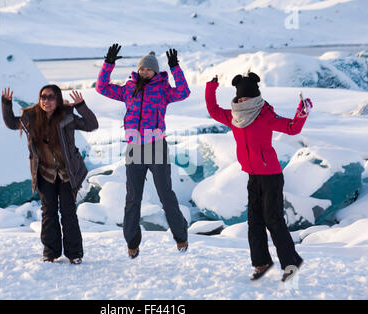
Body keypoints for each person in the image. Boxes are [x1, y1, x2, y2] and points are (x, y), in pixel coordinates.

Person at [205, 73, 313, 281]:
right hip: (253, 175)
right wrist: (212, 86)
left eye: (246, 97)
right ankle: (261, 263)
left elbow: (292, 128)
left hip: (271, 175)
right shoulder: (234, 116)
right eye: (240, 98)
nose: (242, 101)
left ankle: (290, 264)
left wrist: (302, 111)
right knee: (254, 221)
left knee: (273, 221)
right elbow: (213, 110)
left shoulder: (265, 115)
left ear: (255, 96)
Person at [96, 44, 190, 258]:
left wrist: (175, 68)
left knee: (165, 194)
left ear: (156, 71)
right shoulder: (129, 89)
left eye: (149, 69)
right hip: (134, 148)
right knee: (133, 197)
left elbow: (184, 92)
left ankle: (181, 237)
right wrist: (108, 64)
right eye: (142, 69)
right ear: (138, 70)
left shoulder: (164, 90)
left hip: (156, 145)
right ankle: (132, 243)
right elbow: (102, 87)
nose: (145, 72)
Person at [1, 85, 98, 264]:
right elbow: (11, 123)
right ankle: (50, 252)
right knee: (48, 213)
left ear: (58, 99)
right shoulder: (30, 117)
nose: (46, 101)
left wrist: (81, 106)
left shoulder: (67, 116)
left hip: (67, 174)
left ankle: (74, 253)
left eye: (51, 97)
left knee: (68, 213)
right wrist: (6, 104)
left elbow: (92, 125)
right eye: (43, 97)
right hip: (45, 173)